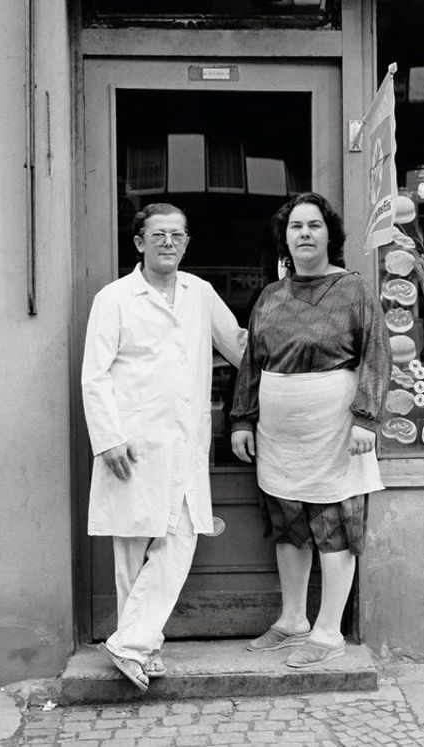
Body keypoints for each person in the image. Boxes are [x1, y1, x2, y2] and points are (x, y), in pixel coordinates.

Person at [82, 202, 246, 691]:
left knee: (179, 540)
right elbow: (94, 374)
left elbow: (240, 348)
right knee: (133, 548)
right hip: (131, 442)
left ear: (187, 242)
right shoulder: (114, 298)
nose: (169, 243)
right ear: (140, 243)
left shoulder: (200, 293)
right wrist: (108, 438)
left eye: (177, 235)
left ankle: (130, 641)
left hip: (185, 441)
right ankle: (142, 646)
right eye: (159, 235)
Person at [230, 192, 392, 668]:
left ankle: (328, 631)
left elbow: (377, 354)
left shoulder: (354, 290)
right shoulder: (270, 296)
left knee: (334, 524)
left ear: (329, 234)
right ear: (284, 238)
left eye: (314, 225)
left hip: (335, 429)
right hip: (279, 435)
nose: (304, 233)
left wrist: (366, 418)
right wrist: (242, 419)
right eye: (296, 226)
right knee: (289, 526)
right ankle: (293, 620)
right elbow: (251, 363)